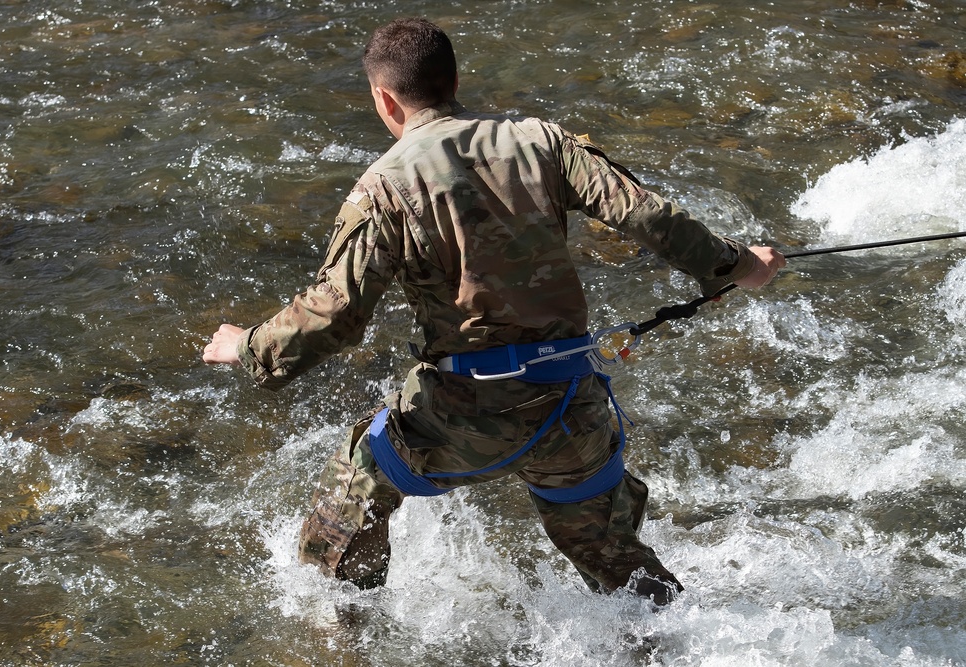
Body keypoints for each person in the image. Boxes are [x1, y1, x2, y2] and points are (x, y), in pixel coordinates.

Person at [203, 17, 784, 605]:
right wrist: (738, 264)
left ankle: (343, 633)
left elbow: (337, 314)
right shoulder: (544, 141)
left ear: (383, 99)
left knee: (353, 489)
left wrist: (249, 344)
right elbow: (647, 216)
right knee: (617, 566)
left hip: (460, 419)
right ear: (456, 78)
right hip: (567, 411)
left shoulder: (381, 188)